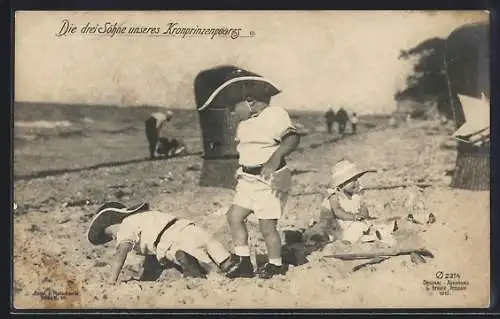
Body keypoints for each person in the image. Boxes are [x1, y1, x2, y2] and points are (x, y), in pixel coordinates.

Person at [224, 92, 300, 279]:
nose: (232, 113)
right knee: (234, 216)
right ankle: (243, 261)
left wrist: (276, 157)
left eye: (234, 108)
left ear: (250, 102)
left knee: (266, 226)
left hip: (270, 180)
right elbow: (248, 150)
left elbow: (292, 138)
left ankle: (276, 264)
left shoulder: (274, 114)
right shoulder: (245, 124)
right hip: (247, 179)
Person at [86, 201, 239, 284]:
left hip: (173, 241)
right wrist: (146, 279)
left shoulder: (125, 226)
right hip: (191, 228)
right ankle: (232, 264)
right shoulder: (145, 217)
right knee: (221, 258)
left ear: (112, 223)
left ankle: (192, 267)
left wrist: (112, 280)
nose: (114, 239)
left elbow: (121, 254)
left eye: (111, 235)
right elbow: (151, 260)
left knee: (202, 269)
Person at [302, 158, 397, 246]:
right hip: (335, 224)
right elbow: (337, 211)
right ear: (340, 185)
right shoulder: (334, 196)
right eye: (350, 180)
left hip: (350, 222)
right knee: (330, 233)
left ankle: (373, 234)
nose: (355, 182)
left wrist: (363, 214)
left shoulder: (356, 196)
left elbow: (363, 208)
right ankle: (345, 239)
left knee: (367, 225)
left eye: (356, 179)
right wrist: (354, 217)